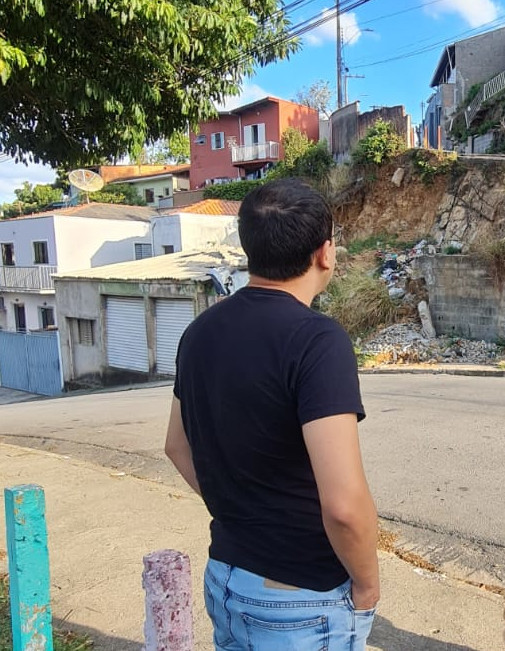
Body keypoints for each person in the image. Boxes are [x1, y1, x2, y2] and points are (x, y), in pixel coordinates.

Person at [165, 178, 379, 650]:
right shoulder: (318, 341)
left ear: (249, 249)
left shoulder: (198, 332)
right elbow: (344, 506)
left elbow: (177, 447)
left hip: (226, 577)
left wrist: (243, 511)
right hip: (301, 600)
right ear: (326, 253)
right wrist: (366, 586)